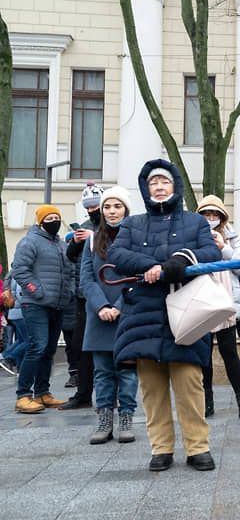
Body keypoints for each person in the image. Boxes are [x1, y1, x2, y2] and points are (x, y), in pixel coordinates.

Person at [108, 160, 221, 472]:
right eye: (153, 183)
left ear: (176, 187)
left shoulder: (195, 222)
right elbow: (116, 255)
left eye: (165, 182)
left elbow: (211, 253)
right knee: (152, 390)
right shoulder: (132, 224)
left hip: (186, 313)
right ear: (146, 188)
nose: (159, 187)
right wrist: (150, 266)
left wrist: (179, 261)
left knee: (189, 384)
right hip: (142, 315)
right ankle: (161, 449)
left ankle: (198, 448)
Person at [80, 186, 139, 444]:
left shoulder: (136, 239)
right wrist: (102, 306)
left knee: (127, 370)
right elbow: (86, 278)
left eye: (117, 206)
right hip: (98, 316)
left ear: (125, 209)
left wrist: (118, 306)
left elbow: (138, 277)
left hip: (126, 313)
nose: (112, 211)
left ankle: (126, 417)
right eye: (107, 207)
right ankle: (104, 420)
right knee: (102, 372)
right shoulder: (92, 240)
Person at [196, 195, 240, 421]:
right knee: (204, 355)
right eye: (206, 214)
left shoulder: (232, 236)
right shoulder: (193, 234)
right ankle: (206, 400)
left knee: (229, 351)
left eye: (215, 215)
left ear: (222, 217)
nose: (211, 219)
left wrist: (223, 248)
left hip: (225, 301)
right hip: (201, 301)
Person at [12, 205, 74, 413]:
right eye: (50, 218)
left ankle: (42, 393)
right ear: (41, 221)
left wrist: (70, 291)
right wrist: (36, 291)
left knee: (48, 350)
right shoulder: (29, 242)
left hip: (58, 304)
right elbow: (19, 270)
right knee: (36, 347)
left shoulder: (61, 244)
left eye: (57, 217)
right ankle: (23, 395)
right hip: (36, 304)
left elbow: (70, 271)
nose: (54, 221)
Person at [61, 181, 105, 409]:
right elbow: (70, 258)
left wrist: (93, 237)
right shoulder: (86, 225)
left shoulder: (115, 225)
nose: (91, 210)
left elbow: (115, 253)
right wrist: (77, 243)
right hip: (84, 295)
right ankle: (83, 394)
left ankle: (112, 396)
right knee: (81, 345)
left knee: (108, 347)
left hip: (108, 293)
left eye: (95, 205)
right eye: (87, 206)